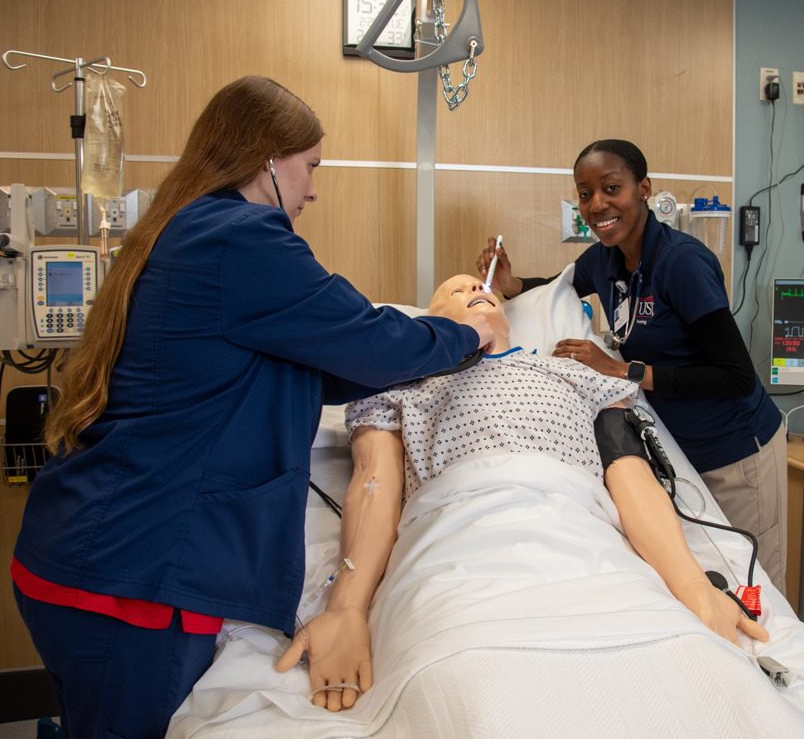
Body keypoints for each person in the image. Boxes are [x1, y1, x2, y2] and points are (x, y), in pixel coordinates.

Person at [10, 76, 495, 739]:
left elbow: (310, 363)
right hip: (132, 580)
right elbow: (373, 342)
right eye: (312, 167)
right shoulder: (242, 239)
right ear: (270, 160)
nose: (314, 189)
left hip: (82, 553)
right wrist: (464, 331)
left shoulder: (184, 229)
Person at [276, 274, 769, 712]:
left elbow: (629, 474)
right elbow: (372, 484)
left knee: (685, 677)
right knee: (469, 688)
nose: (474, 289)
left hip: (577, 532)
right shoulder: (398, 384)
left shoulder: (578, 375)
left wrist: (694, 587)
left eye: (481, 287)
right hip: (457, 543)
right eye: (455, 290)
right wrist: (346, 609)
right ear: (428, 322)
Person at [476, 139, 788, 592]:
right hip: (681, 451)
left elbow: (736, 376)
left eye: (612, 188)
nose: (597, 205)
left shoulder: (682, 263)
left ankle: (771, 664)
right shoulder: (606, 257)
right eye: (585, 194)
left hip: (736, 452)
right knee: (706, 578)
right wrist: (511, 284)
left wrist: (622, 370)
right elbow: (557, 287)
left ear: (643, 188)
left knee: (753, 585)